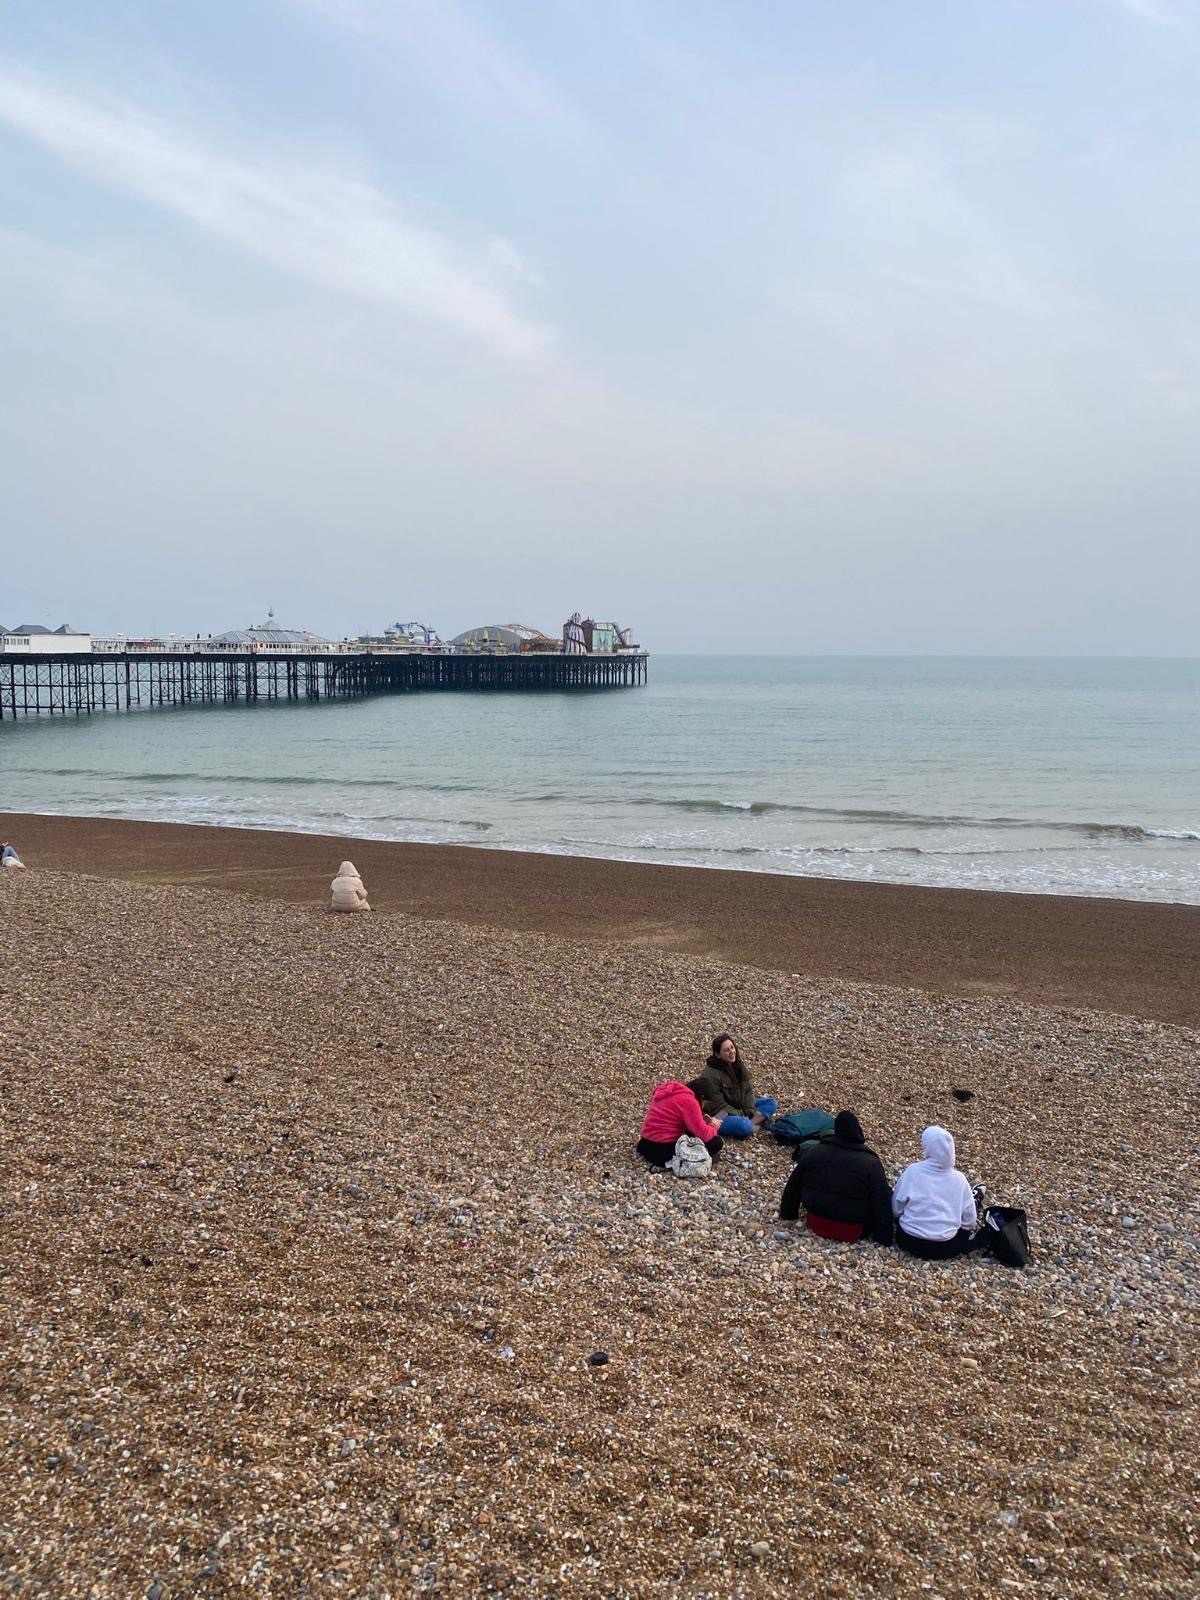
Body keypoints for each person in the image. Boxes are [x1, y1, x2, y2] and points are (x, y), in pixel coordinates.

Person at [778, 1110, 893, 1243]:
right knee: (885, 1191)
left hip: (816, 1222)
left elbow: (793, 1186)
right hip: (852, 1230)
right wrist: (884, 1238)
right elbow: (881, 1202)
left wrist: (788, 1215)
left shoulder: (814, 1152)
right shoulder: (871, 1162)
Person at [892, 1126, 988, 1259]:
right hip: (945, 1247)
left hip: (908, 1241)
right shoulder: (959, 1179)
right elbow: (969, 1221)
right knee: (965, 1222)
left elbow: (896, 1207)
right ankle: (976, 1201)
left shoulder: (913, 1171)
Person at [693, 1034, 777, 1138]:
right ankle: (753, 1123)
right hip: (720, 1114)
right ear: (718, 1055)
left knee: (771, 1103)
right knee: (743, 1126)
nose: (732, 1052)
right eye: (726, 1050)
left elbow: (748, 1090)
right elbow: (718, 1105)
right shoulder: (711, 1075)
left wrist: (749, 1110)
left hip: (739, 1106)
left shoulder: (737, 1064)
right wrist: (741, 1114)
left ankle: (752, 1122)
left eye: (732, 1047)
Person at [638, 1077, 724, 1167]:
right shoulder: (689, 1101)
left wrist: (701, 1120)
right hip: (662, 1149)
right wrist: (714, 1125)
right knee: (716, 1143)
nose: (703, 1106)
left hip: (645, 1143)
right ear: (702, 1097)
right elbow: (704, 1135)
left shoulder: (673, 1091)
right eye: (705, 1102)